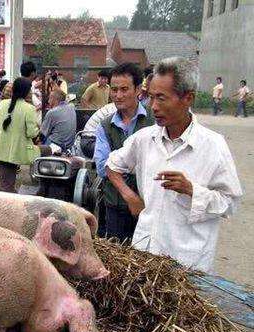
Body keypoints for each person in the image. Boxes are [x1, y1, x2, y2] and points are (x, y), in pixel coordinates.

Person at [106, 57, 242, 272]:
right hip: (145, 253)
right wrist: (130, 197)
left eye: (161, 98)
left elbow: (230, 202)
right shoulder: (144, 139)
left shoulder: (213, 146)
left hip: (187, 262)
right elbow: (112, 165)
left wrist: (191, 190)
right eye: (150, 98)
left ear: (188, 98)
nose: (154, 107)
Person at [94, 63, 155, 242]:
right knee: (118, 255)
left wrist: (120, 166)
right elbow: (102, 167)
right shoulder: (105, 125)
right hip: (115, 204)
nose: (118, 95)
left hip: (150, 204)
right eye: (114, 90)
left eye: (124, 89)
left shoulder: (154, 121)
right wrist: (129, 195)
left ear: (137, 89)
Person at [0, 78, 58, 192]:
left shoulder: (2, 104)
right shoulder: (29, 108)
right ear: (27, 92)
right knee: (48, 150)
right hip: (18, 151)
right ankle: (43, 182)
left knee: (6, 184)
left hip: (0, 149)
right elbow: (31, 133)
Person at [40, 88, 77, 152]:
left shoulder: (52, 112)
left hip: (56, 144)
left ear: (54, 100)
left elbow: (42, 134)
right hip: (70, 145)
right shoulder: (71, 107)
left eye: (49, 99)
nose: (48, 101)